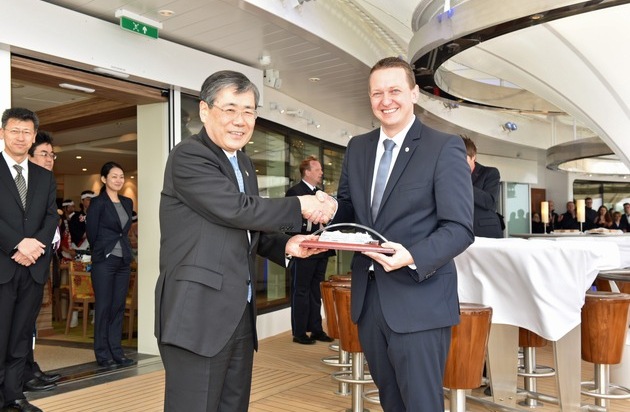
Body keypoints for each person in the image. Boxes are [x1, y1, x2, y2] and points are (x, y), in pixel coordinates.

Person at [154, 70, 334, 412]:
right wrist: (300, 204)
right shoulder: (189, 156)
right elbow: (236, 209)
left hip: (238, 312)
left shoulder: (244, 163)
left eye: (249, 111)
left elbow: (246, 228)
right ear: (205, 111)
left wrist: (287, 245)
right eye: (230, 109)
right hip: (198, 316)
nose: (240, 121)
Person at [332, 57, 474, 411]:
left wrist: (411, 255)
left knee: (422, 404)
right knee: (391, 402)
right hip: (370, 302)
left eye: (394, 90)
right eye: (377, 93)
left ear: (414, 93)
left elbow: (459, 228)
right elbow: (349, 212)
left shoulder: (444, 147)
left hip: (420, 301)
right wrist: (326, 209)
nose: (386, 100)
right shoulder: (358, 147)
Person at [0, 108, 58, 412]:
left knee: (22, 336)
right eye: (14, 131)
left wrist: (34, 247)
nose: (20, 137)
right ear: (2, 133)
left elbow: (50, 217)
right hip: (3, 266)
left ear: (33, 136)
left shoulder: (44, 176)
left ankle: (14, 395)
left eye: (26, 132)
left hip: (33, 267)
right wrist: (17, 243)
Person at [86, 161, 135, 368]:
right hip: (105, 261)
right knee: (104, 306)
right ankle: (102, 353)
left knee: (118, 306)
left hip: (123, 260)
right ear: (104, 179)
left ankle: (117, 351)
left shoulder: (127, 202)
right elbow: (91, 232)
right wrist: (102, 252)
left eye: (121, 176)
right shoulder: (98, 203)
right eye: (114, 176)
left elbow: (125, 231)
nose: (118, 180)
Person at [24, 131, 62, 392]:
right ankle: (23, 373)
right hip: (24, 259)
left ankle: (29, 367)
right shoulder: (22, 186)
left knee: (29, 322)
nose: (49, 159)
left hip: (40, 261)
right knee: (21, 324)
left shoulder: (46, 184)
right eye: (43, 154)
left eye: (52, 155)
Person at [285, 156, 335, 345]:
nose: (321, 172)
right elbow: (288, 222)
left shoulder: (321, 194)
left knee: (316, 290)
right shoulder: (295, 192)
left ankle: (316, 329)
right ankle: (299, 332)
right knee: (301, 290)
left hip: (322, 249)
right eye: (317, 169)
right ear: (307, 172)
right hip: (303, 249)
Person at [461, 136, 503, 238]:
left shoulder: (490, 172)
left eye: (463, 158)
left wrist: (461, 182)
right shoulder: (450, 177)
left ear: (473, 156)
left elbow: (489, 202)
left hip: (485, 231)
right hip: (460, 231)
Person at [69, 190, 95, 254]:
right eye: (88, 199)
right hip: (80, 249)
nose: (91, 201)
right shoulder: (75, 217)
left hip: (95, 249)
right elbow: (78, 234)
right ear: (82, 201)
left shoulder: (97, 216)